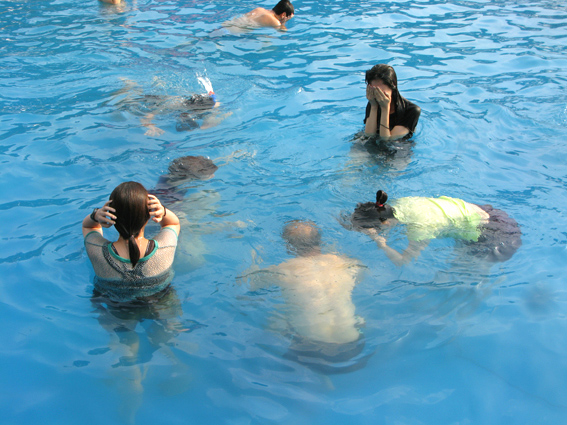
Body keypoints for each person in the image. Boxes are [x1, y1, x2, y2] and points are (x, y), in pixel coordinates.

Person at [242, 220, 366, 355]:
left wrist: (253, 260)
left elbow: (249, 283)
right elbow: (359, 277)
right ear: (320, 241)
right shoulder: (347, 263)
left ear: (288, 246)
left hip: (311, 349)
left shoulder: (283, 270)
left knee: (275, 317)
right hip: (355, 345)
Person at [350, 190, 522, 266]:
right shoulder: (401, 203)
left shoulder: (419, 227)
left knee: (464, 272)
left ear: (384, 223)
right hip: (484, 211)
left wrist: (381, 243)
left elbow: (403, 262)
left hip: (496, 235)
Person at [83, 181, 181, 301]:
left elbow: (89, 227)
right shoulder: (165, 247)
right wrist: (163, 211)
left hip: (116, 306)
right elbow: (173, 223)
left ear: (111, 215)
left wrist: (95, 215)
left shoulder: (97, 251)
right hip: (160, 300)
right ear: (148, 215)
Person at [364, 64, 421, 140]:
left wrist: (385, 108)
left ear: (393, 86)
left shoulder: (411, 110)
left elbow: (387, 141)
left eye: (381, 92)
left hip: (398, 145)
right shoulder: (373, 101)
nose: (379, 96)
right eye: (374, 91)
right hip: (375, 140)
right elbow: (368, 135)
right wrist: (374, 106)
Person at [222, 0, 294, 34]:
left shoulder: (260, 9)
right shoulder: (275, 22)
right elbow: (283, 32)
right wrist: (284, 22)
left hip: (228, 24)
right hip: (235, 31)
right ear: (283, 14)